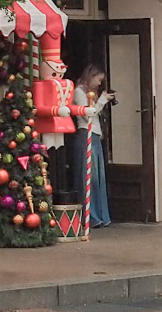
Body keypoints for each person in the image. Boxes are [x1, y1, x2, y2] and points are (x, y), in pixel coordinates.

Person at [72, 63, 114, 229]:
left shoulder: (92, 93)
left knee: (98, 177)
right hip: (85, 134)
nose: (99, 83)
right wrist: (102, 101)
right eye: (98, 79)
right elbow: (88, 113)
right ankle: (90, 215)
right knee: (89, 175)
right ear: (91, 76)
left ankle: (101, 214)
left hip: (95, 135)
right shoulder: (79, 92)